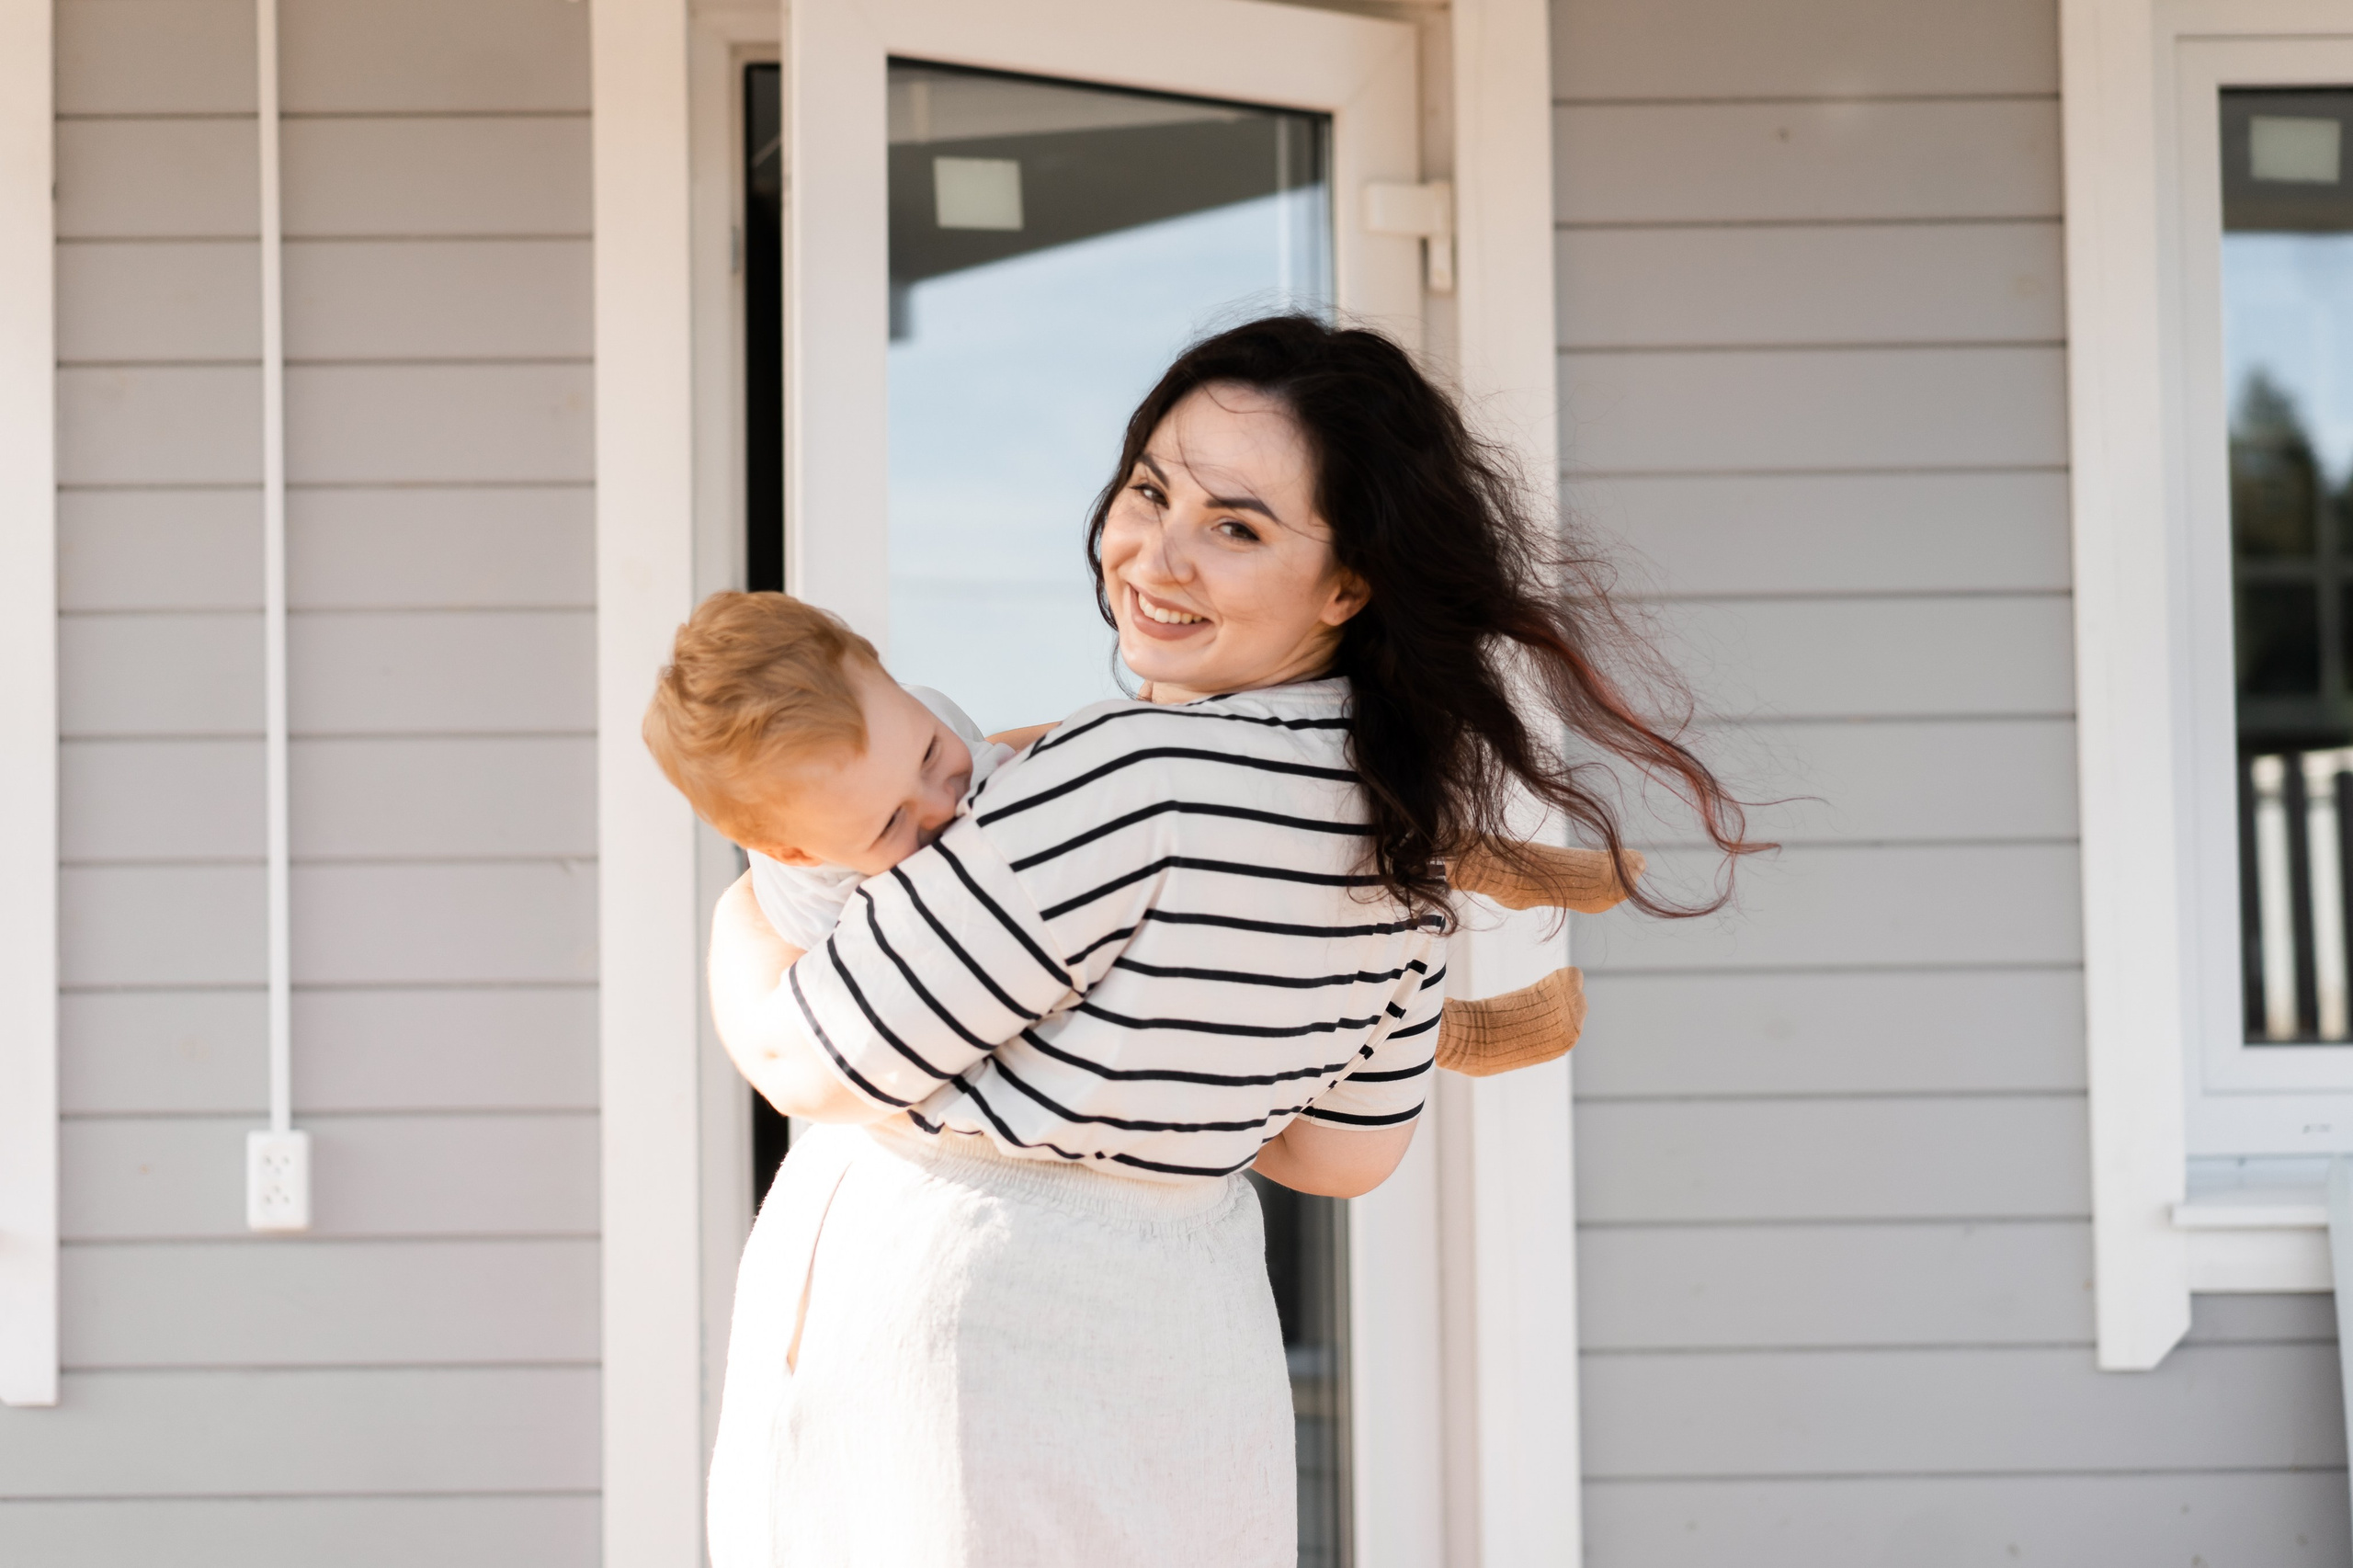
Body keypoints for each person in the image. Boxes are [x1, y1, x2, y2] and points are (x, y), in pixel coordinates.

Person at [688, 315, 1756, 1567]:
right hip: (1192, 1341)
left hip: (970, 1338)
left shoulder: (1126, 775)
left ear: (1348, 582)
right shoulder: (1397, 828)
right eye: (1151, 489)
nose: (1156, 554)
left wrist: (744, 917)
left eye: (1235, 527)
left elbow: (818, 1056)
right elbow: (1340, 1153)